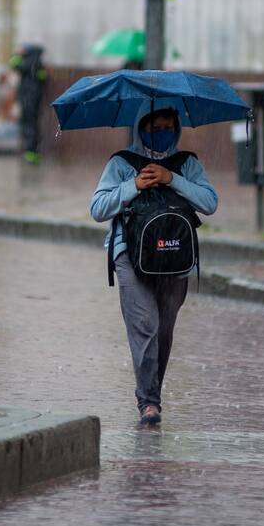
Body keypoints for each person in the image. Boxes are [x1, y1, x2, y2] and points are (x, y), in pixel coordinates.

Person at [90, 106, 218, 426]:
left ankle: (151, 393)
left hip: (175, 258)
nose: (159, 133)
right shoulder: (121, 163)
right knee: (144, 324)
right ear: (140, 127)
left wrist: (171, 179)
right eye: (153, 127)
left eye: (166, 128)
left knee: (163, 330)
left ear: (175, 130)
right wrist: (134, 184)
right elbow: (98, 208)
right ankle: (149, 402)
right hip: (130, 256)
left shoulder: (187, 164)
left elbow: (209, 202)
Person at [10, 43, 48, 164]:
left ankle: (30, 152)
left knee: (28, 124)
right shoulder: (38, 62)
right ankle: (32, 152)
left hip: (28, 99)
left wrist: (16, 54)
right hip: (35, 98)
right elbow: (43, 78)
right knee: (32, 124)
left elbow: (14, 65)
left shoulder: (28, 61)